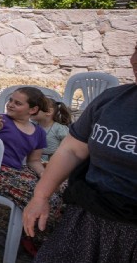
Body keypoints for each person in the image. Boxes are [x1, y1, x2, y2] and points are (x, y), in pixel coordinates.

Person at [23, 42, 137, 262]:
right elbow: (72, 150)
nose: (134, 59)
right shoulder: (111, 100)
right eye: (136, 49)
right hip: (87, 219)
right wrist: (40, 196)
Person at [0, 87, 64, 247]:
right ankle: (37, 239)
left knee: (58, 189)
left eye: (17, 103)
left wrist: (44, 175)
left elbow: (34, 161)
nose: (10, 105)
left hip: (16, 171)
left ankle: (40, 232)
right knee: (45, 198)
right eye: (10, 100)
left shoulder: (38, 132)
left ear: (32, 109)